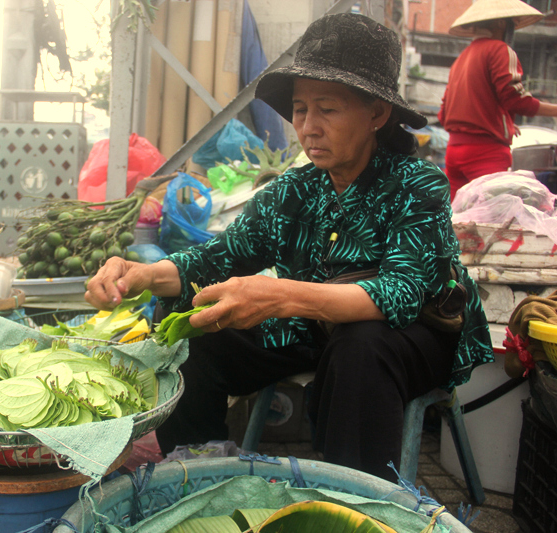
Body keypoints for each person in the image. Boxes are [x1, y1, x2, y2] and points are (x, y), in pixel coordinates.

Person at [85, 13, 495, 482]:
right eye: (301, 109)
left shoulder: (417, 185)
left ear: (377, 115)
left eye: (328, 109)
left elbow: (400, 292)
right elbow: (217, 259)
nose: (309, 126)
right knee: (196, 321)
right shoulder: (294, 191)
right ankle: (196, 472)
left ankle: (357, 498)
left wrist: (281, 296)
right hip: (319, 332)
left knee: (361, 345)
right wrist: (140, 274)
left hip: (411, 338)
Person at [439, 0, 557, 200]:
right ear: (502, 25)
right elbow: (516, 100)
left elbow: (444, 113)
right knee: (492, 219)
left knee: (456, 219)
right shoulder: (500, 50)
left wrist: (502, 122)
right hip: (485, 153)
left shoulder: (462, 58)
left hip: (454, 152)